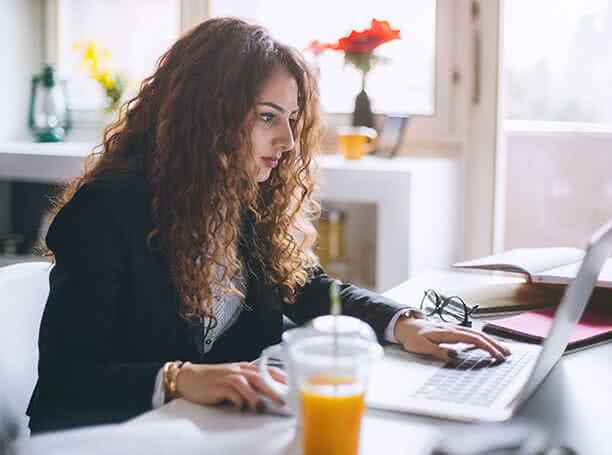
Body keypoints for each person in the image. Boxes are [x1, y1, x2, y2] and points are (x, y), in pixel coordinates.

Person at [26, 17, 509, 434]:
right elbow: (61, 392)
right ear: (205, 114)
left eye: (293, 119)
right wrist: (178, 378)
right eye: (266, 117)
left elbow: (309, 287)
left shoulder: (242, 200)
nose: (289, 142)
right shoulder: (103, 212)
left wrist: (404, 323)